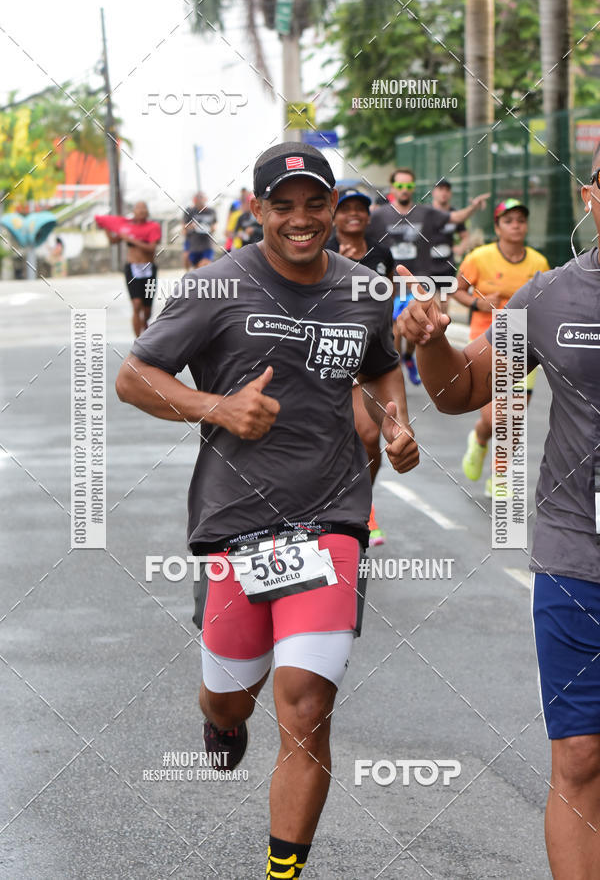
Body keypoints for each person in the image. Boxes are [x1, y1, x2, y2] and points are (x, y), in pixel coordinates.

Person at [115, 141, 419, 879]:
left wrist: (397, 420)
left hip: (334, 518)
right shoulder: (213, 288)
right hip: (236, 523)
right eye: (283, 206)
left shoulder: (363, 289)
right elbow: (133, 374)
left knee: (306, 704)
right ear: (258, 211)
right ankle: (220, 720)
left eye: (316, 203)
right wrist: (216, 405)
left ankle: (282, 872)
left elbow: (380, 364)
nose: (303, 219)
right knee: (230, 697)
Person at [398, 143, 600, 880]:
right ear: (589, 196)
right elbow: (460, 391)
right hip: (579, 556)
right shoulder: (551, 296)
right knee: (580, 756)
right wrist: (432, 343)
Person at [453, 199, 549, 496]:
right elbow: (457, 289)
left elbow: (546, 302)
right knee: (495, 417)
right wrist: (478, 303)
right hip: (487, 343)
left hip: (524, 344)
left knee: (514, 416)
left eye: (521, 219)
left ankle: (500, 475)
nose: (516, 225)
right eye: (509, 220)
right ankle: (480, 439)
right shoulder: (479, 258)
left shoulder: (539, 263)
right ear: (497, 227)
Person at [368, 168, 489, 386]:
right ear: (393, 187)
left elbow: (456, 217)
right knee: (396, 328)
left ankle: (408, 357)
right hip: (391, 282)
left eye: (409, 186)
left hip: (420, 280)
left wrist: (473, 207)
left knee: (420, 326)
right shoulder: (379, 216)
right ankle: (394, 368)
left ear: (413, 188)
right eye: (400, 186)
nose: (405, 191)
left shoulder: (425, 213)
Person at [328, 186, 396, 545]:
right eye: (346, 208)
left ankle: (361, 506)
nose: (353, 214)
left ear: (368, 216)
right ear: (334, 215)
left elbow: (387, 301)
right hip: (324, 357)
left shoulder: (381, 253)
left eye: (360, 209)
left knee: (369, 438)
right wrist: (343, 267)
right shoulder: (320, 252)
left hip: (366, 356)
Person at [96, 202, 161, 337]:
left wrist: (132, 239)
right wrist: (107, 227)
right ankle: (138, 341)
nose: (141, 210)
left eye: (144, 208)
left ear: (147, 212)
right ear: (134, 211)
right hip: (132, 269)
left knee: (147, 309)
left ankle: (145, 324)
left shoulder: (153, 227)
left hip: (148, 269)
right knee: (136, 304)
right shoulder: (126, 226)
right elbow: (113, 241)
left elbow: (151, 248)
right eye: (138, 208)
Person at [429, 179, 469, 313]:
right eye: (441, 189)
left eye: (447, 190)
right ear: (434, 192)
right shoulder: (427, 213)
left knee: (444, 304)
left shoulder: (455, 214)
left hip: (447, 264)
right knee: (431, 303)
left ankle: (441, 331)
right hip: (428, 265)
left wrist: (460, 248)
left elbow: (465, 236)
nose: (444, 193)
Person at [183, 192, 217, 267]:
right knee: (196, 268)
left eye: (201, 198)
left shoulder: (211, 211)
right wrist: (192, 226)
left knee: (204, 264)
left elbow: (214, 225)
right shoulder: (190, 211)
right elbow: (184, 227)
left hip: (207, 244)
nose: (199, 201)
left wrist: (210, 228)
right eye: (197, 198)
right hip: (194, 245)